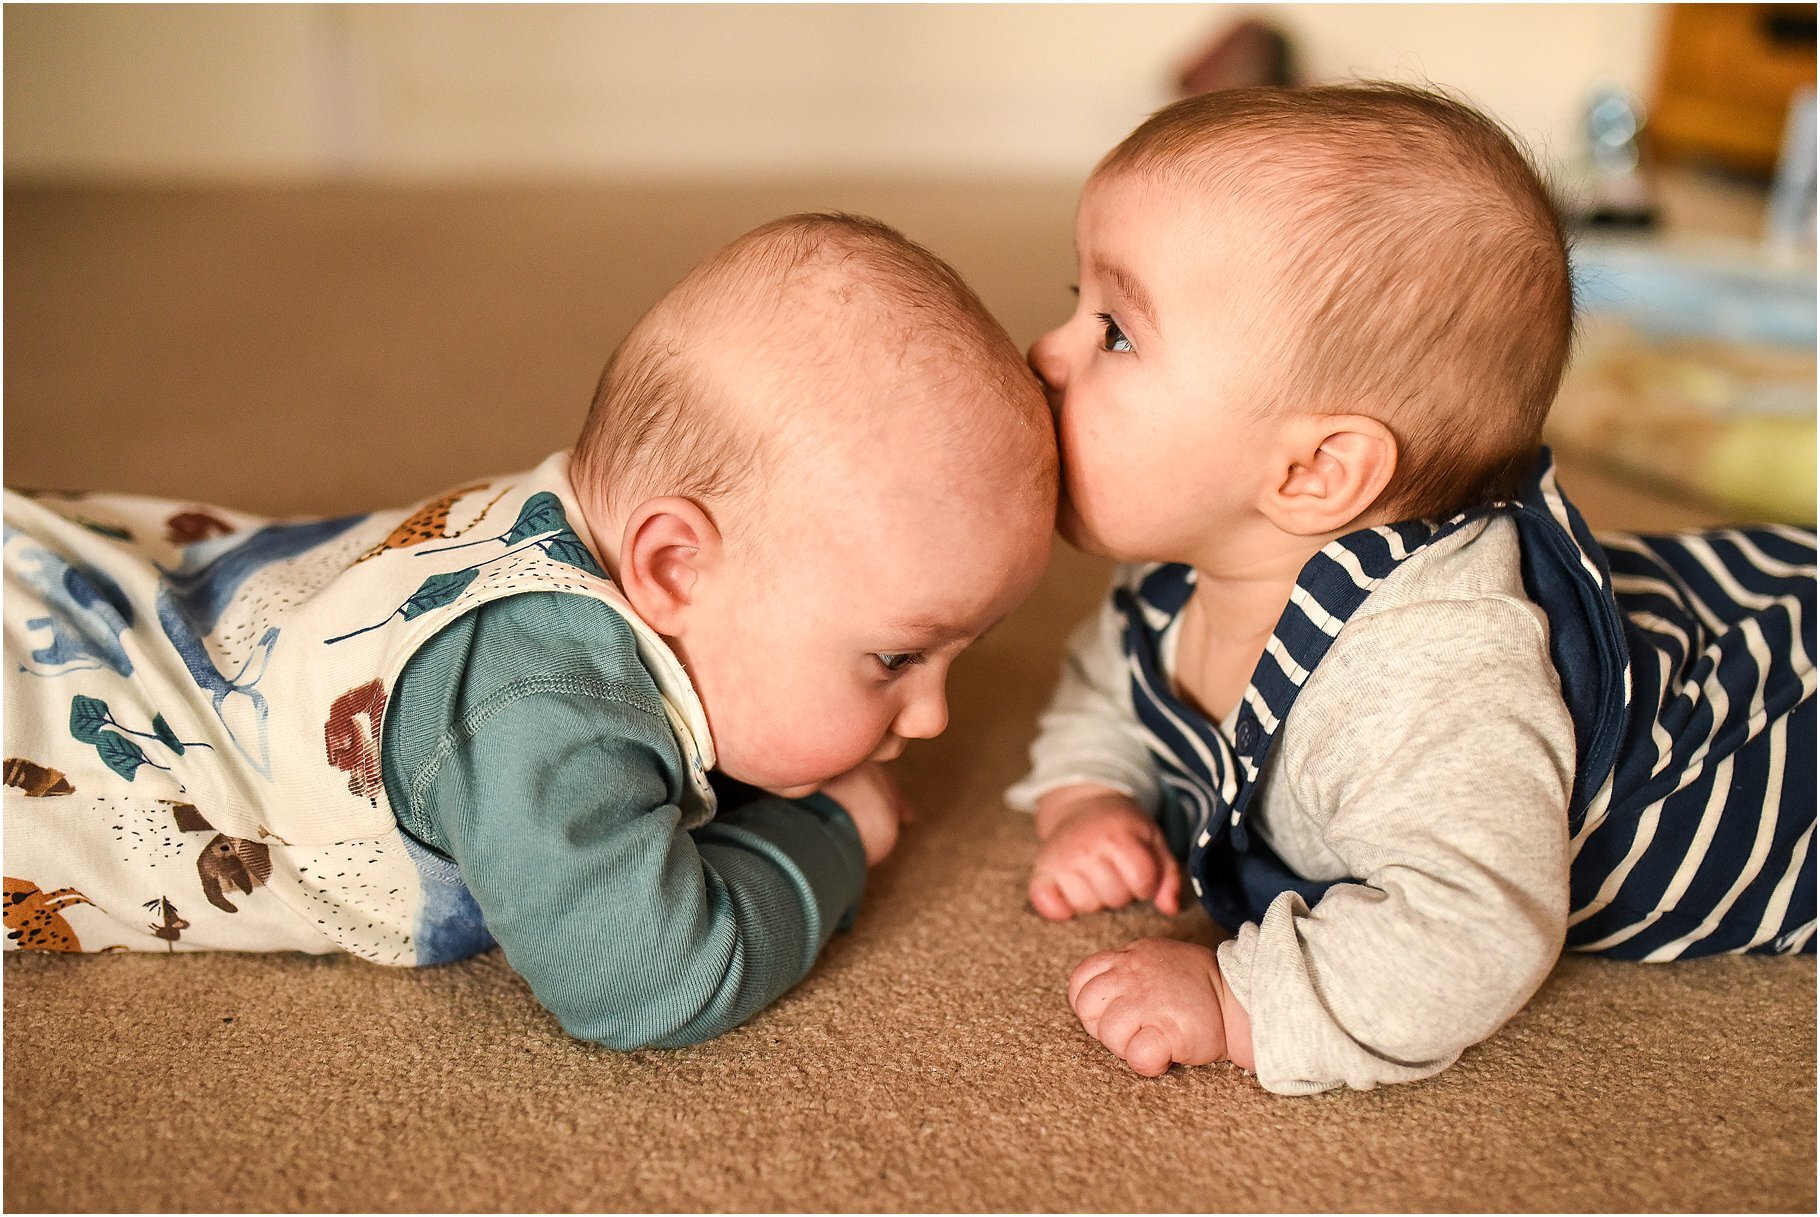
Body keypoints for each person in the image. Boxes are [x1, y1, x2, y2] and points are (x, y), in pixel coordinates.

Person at [4, 211, 1058, 1051]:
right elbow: (646, 980)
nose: (931, 713)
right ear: (672, 564)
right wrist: (824, 830)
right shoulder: (538, 706)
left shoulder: (586, 527)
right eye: (896, 657)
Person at [1007, 83, 1816, 1094]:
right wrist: (1089, 795)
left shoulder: (1424, 680)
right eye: (1073, 305)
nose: (1047, 350)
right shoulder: (1183, 569)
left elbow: (1470, 927)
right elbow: (1114, 681)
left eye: (1115, 331)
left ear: (1312, 473)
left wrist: (1237, 997)